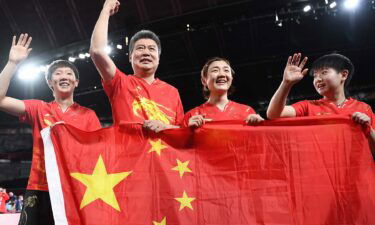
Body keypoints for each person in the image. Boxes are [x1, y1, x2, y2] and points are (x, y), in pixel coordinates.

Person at [0, 34, 101, 224]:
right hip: (40, 187)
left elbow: (98, 153)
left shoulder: (89, 115)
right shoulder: (39, 108)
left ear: (76, 82)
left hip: (76, 188)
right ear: (49, 82)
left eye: (69, 73)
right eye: (58, 73)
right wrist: (12, 63)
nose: (64, 76)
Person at [90, 0, 184, 132]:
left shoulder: (172, 92)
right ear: (130, 57)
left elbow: (182, 133)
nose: (146, 52)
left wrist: (165, 127)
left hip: (166, 153)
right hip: (128, 152)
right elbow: (97, 51)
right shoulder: (120, 83)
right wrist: (106, 10)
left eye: (152, 49)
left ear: (158, 58)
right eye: (140, 48)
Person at [266, 53, 375, 153]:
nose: (317, 79)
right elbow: (274, 114)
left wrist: (368, 128)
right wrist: (286, 83)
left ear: (344, 75)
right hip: (322, 172)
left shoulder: (364, 109)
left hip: (358, 172)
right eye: (315, 76)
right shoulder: (307, 106)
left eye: (324, 72)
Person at [182, 57, 264, 128]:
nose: (222, 74)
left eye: (226, 70)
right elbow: (177, 144)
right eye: (215, 70)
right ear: (204, 80)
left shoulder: (247, 112)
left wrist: (259, 126)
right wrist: (188, 131)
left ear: (231, 79)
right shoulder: (191, 116)